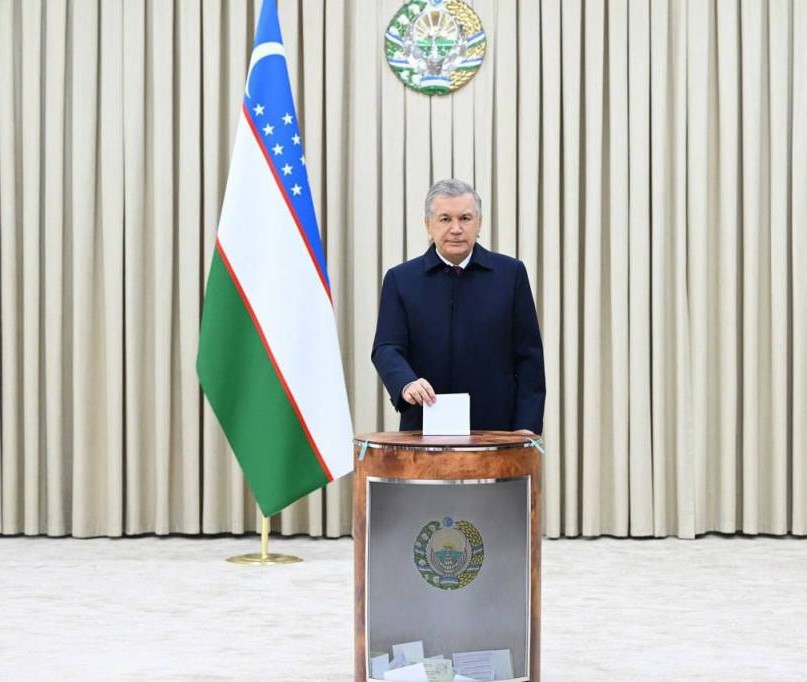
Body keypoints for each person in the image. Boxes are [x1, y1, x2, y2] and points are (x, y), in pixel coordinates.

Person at [371, 179, 546, 434]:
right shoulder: (400, 280)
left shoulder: (511, 274)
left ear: (479, 225)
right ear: (428, 226)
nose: (456, 229)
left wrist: (526, 427)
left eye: (465, 218)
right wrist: (406, 383)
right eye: (445, 219)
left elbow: (529, 357)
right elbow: (386, 348)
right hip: (424, 429)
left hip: (498, 431)